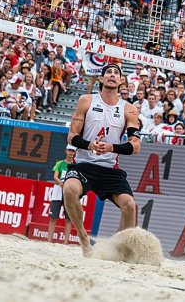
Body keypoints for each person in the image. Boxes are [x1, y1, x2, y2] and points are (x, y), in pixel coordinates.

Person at [63, 63, 141, 256]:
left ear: (122, 80)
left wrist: (110, 147)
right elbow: (71, 136)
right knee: (70, 189)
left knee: (129, 205)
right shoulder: (86, 100)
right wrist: (90, 145)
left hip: (109, 168)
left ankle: (121, 249)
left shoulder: (129, 109)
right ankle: (83, 238)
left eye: (116, 73)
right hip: (84, 164)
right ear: (101, 79)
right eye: (108, 72)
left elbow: (136, 146)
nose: (112, 75)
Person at [47, 145, 75, 244]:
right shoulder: (59, 163)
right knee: (53, 217)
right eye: (70, 150)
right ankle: (49, 241)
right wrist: (61, 183)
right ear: (66, 151)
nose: (71, 152)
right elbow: (55, 176)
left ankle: (65, 243)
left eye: (73, 151)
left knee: (68, 219)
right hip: (58, 192)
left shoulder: (75, 164)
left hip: (70, 194)